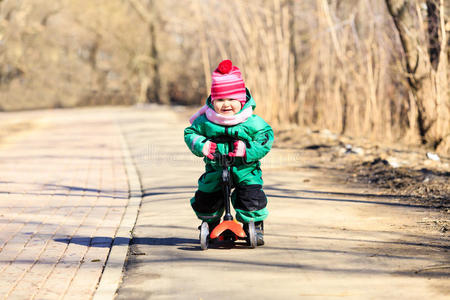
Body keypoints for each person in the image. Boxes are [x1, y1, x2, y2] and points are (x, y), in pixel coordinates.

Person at [184, 59, 274, 246]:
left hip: (245, 169)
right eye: (220, 100)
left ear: (241, 100)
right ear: (212, 100)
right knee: (207, 196)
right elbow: (190, 133)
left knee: (251, 197)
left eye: (232, 99)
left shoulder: (250, 121)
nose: (226, 104)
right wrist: (202, 145)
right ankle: (210, 223)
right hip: (216, 167)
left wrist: (247, 150)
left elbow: (266, 137)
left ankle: (254, 224)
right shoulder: (206, 121)